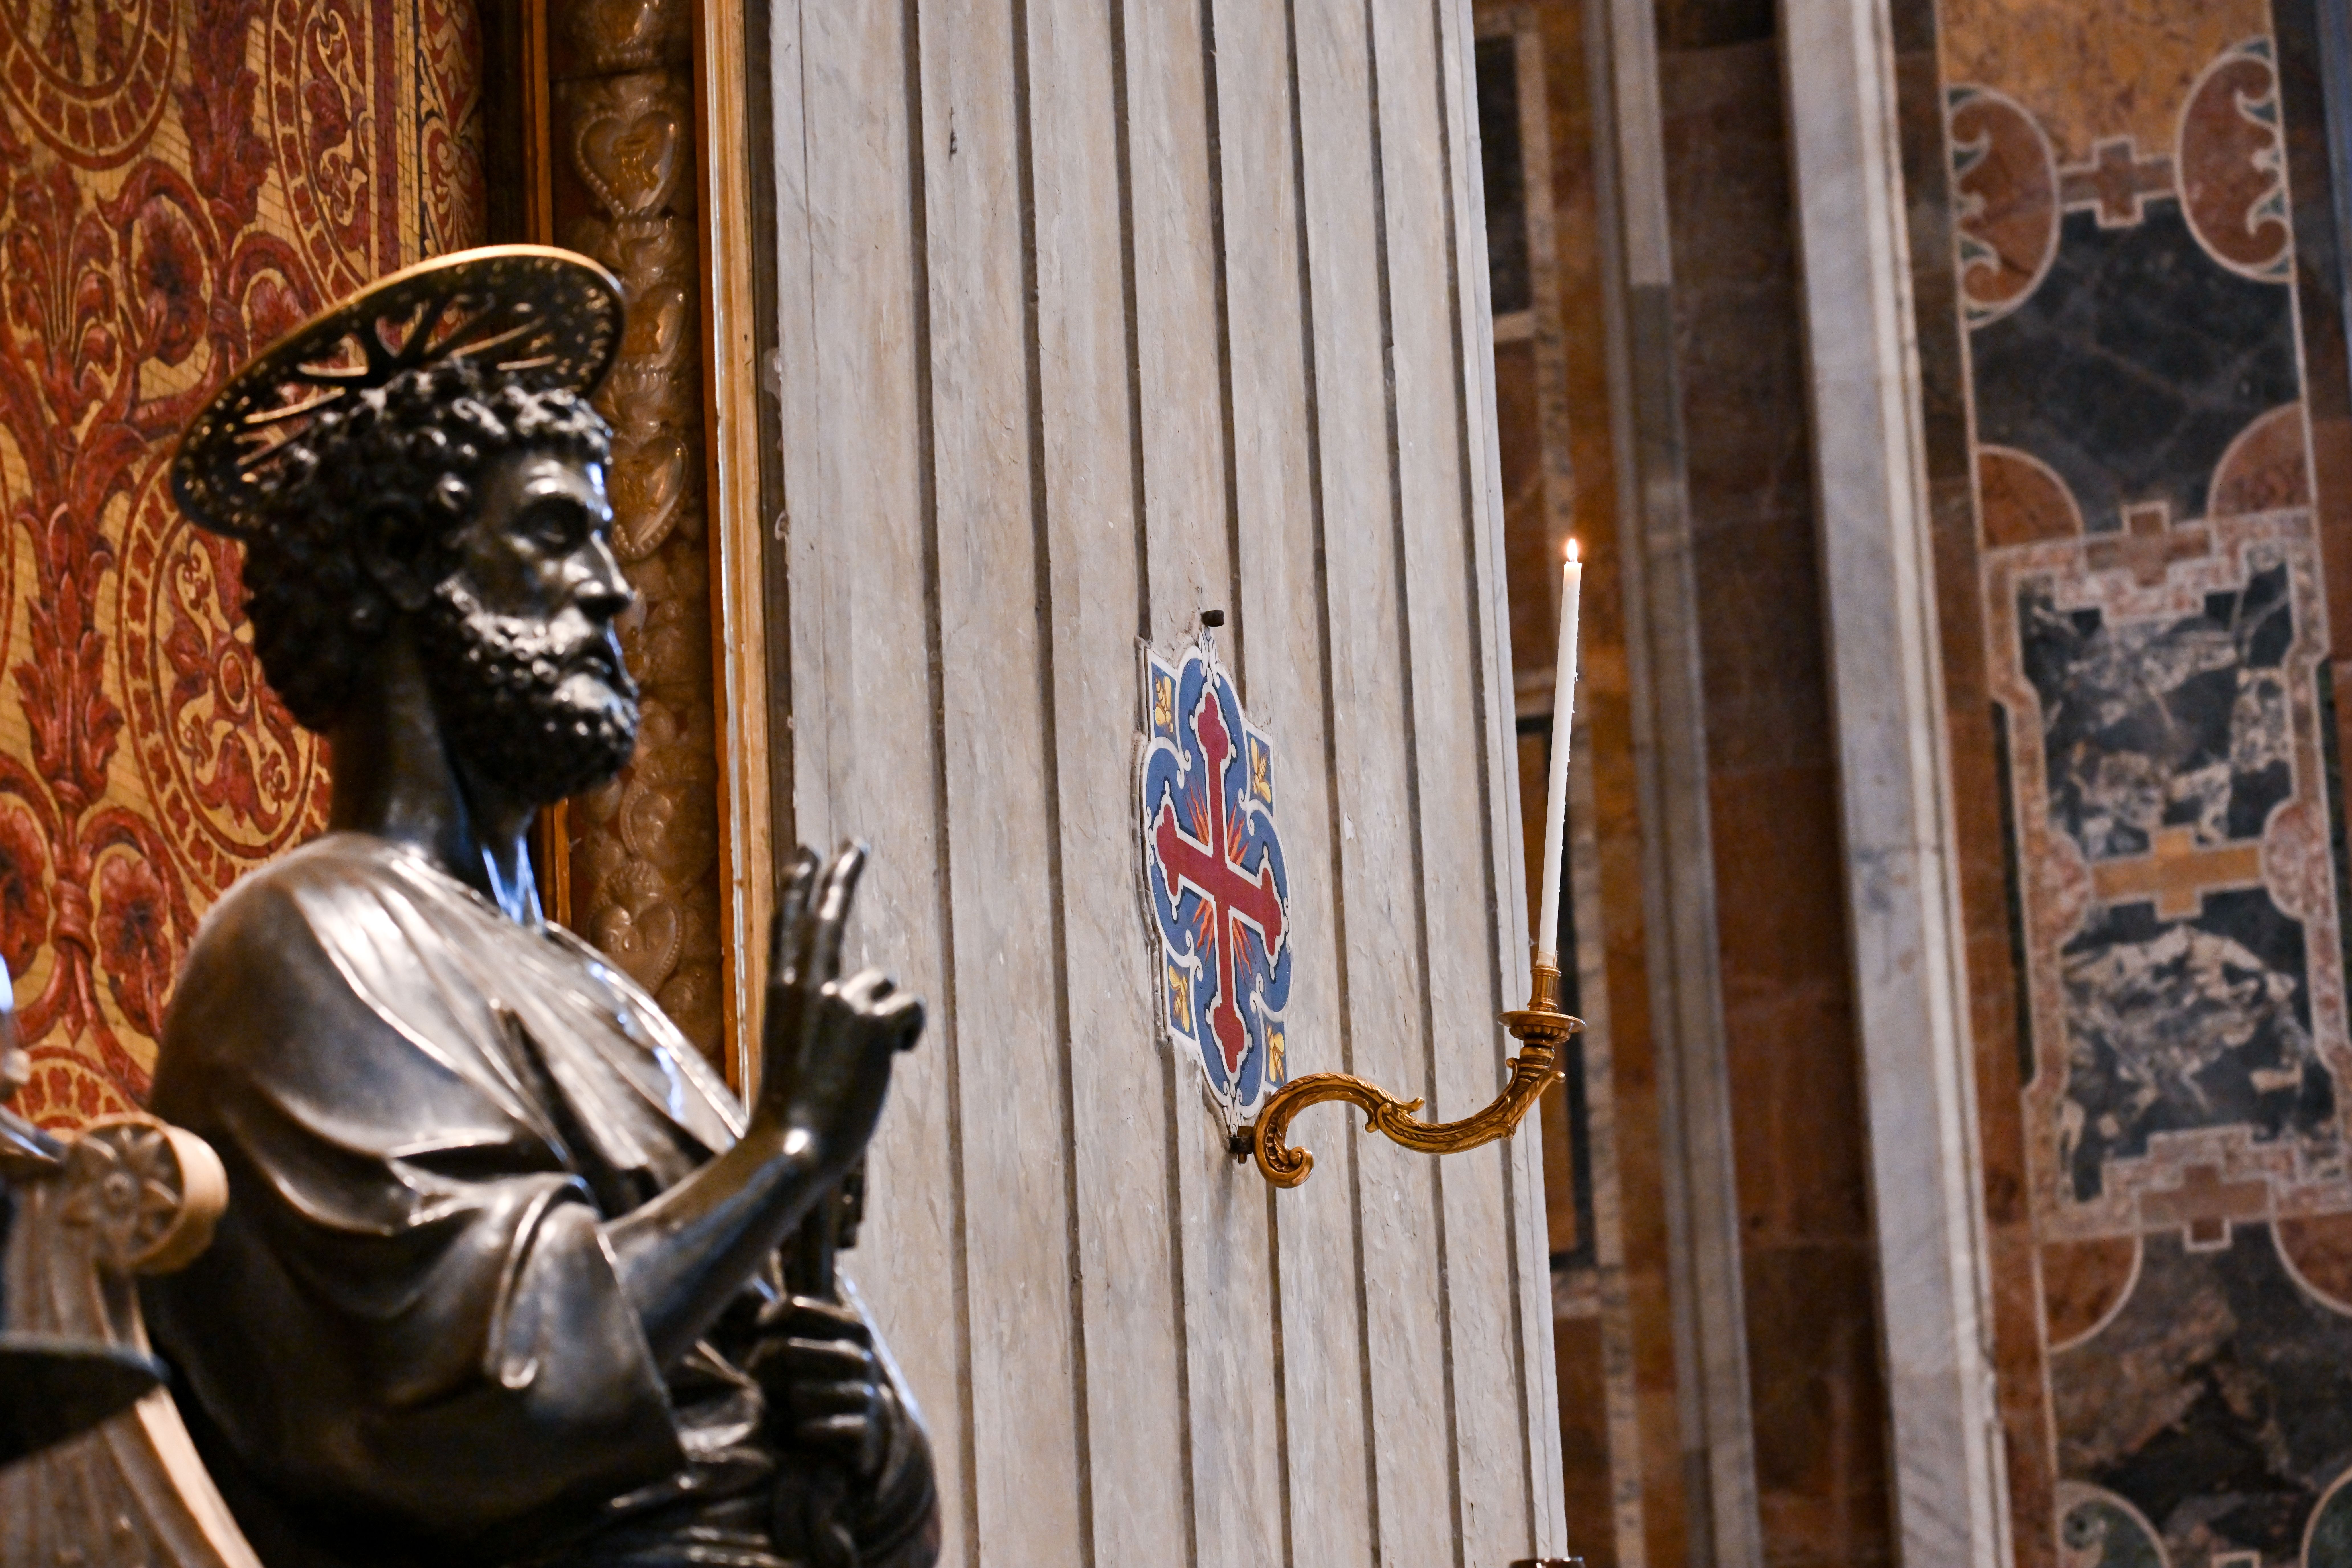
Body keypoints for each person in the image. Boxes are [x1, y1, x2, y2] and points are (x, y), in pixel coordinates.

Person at [144, 247, 938, 1568]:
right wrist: (787, 1150)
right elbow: (489, 1396)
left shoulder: (606, 994)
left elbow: (863, 1481)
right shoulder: (305, 944)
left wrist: (866, 1437)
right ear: (407, 556)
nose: (615, 589)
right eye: (559, 531)